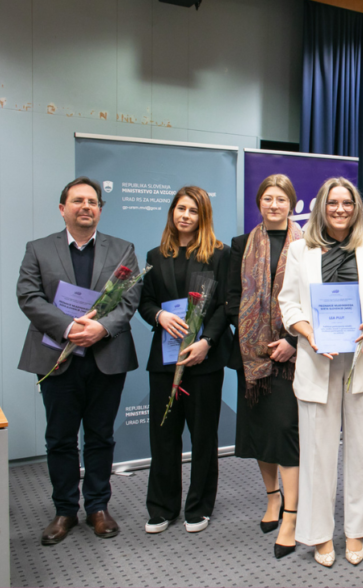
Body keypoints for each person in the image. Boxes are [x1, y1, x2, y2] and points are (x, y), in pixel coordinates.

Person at [277, 177, 363, 567]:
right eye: (333, 203)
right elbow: (289, 303)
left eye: (348, 203)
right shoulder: (300, 250)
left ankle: (356, 529)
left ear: (357, 207)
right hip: (319, 358)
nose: (341, 209)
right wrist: (310, 335)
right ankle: (317, 534)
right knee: (316, 451)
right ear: (322, 207)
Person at [17, 177, 141, 545]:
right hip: (57, 357)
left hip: (105, 356)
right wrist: (70, 327)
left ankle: (98, 507)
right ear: (63, 208)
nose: (86, 206)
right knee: (60, 438)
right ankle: (65, 510)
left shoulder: (122, 249)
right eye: (78, 201)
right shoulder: (38, 249)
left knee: (101, 436)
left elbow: (130, 300)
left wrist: (100, 329)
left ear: (100, 210)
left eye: (93, 201)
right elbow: (28, 296)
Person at [138, 186, 231, 535]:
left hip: (204, 360)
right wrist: (159, 316)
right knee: (163, 435)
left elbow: (226, 306)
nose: (185, 216)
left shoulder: (220, 255)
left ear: (203, 216)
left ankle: (199, 505)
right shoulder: (155, 255)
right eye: (180, 208)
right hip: (165, 358)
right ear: (172, 212)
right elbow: (144, 302)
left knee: (203, 436)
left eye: (193, 210)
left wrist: (207, 341)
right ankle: (162, 507)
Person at [228, 174, 303, 558]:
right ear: (259, 203)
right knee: (261, 433)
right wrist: (253, 336)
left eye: (281, 199)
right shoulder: (241, 244)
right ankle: (272, 498)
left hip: (294, 356)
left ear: (292, 203)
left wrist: (290, 341)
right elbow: (230, 295)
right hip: (254, 357)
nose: (274, 205)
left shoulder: (309, 243)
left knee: (286, 432)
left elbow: (314, 298)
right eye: (267, 199)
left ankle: (291, 514)